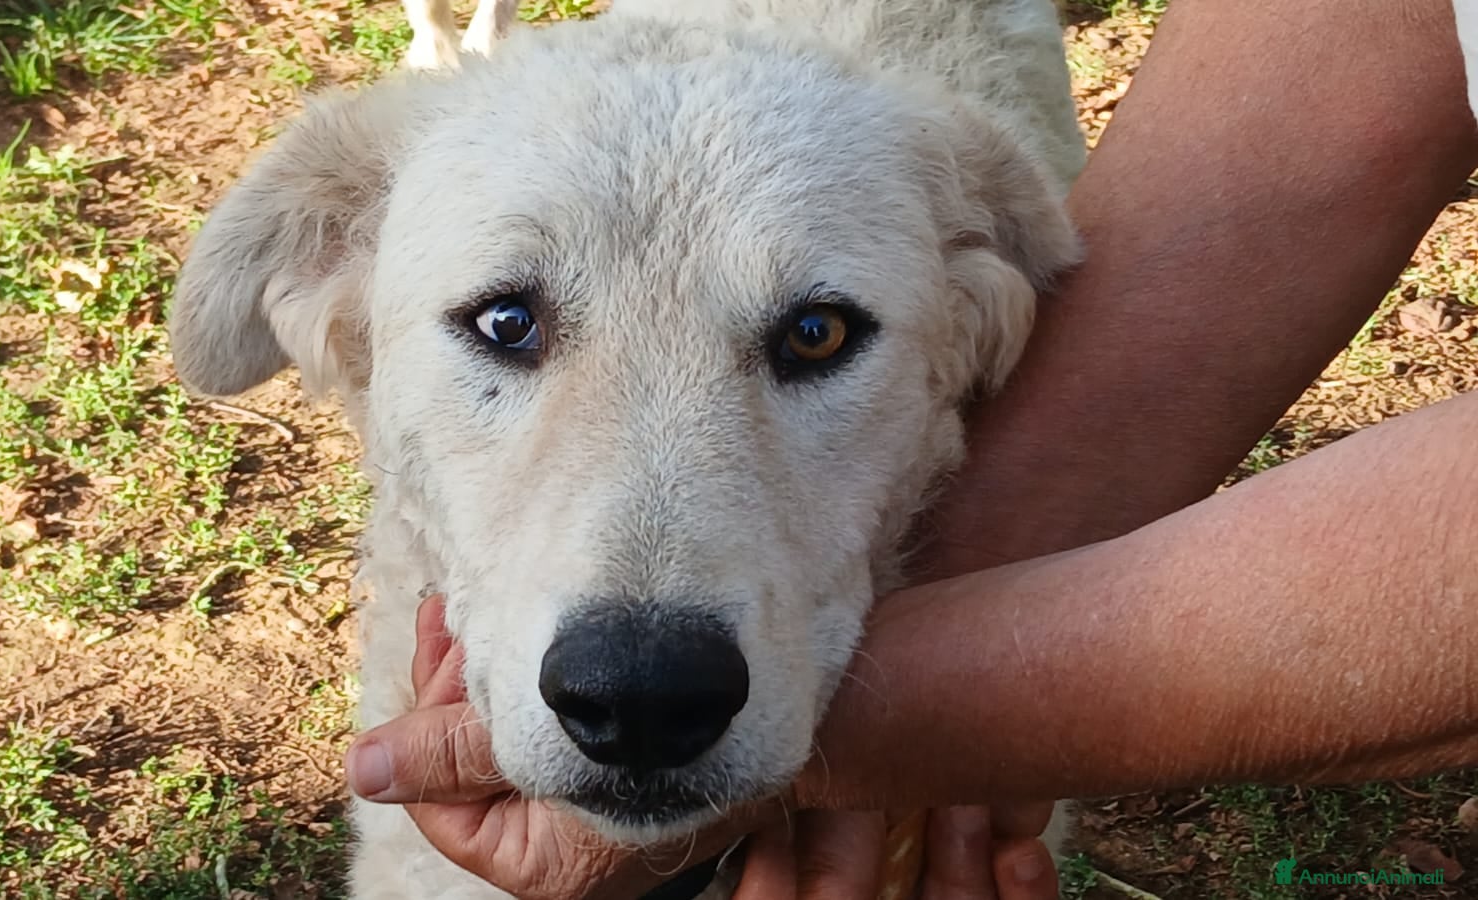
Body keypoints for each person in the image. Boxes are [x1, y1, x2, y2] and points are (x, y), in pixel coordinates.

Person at [342, 0, 1478, 896]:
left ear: (982, 301)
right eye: (506, 327)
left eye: (812, 335)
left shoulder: (939, 218)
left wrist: (954, 706)